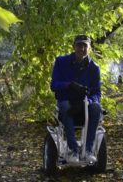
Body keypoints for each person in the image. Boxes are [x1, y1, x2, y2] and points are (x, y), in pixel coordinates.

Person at [50, 34, 101, 163]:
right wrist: (69, 85)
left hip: (84, 105)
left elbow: (97, 93)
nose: (82, 48)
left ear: (89, 48)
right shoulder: (61, 62)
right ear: (74, 47)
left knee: (96, 107)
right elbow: (54, 85)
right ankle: (73, 150)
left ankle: (89, 149)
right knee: (66, 106)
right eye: (79, 45)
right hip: (66, 102)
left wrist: (88, 102)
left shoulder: (94, 68)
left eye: (85, 46)